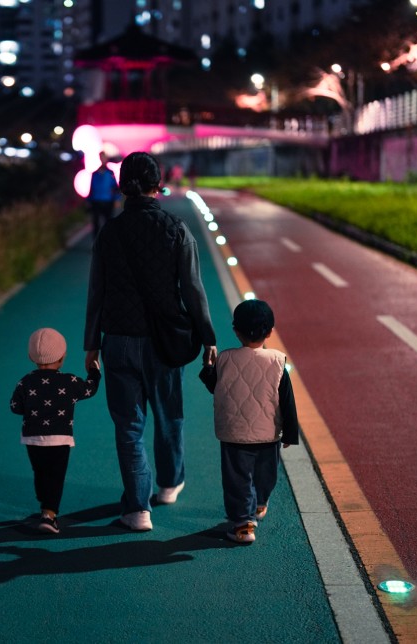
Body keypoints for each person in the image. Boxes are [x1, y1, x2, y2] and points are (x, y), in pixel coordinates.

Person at [84, 151, 217, 532]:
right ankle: (170, 483)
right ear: (158, 185)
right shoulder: (176, 229)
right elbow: (193, 290)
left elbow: (98, 293)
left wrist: (91, 344)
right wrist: (207, 337)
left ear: (123, 186)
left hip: (119, 341)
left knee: (128, 426)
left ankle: (138, 509)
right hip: (162, 341)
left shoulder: (109, 232)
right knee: (168, 414)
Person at [198, 299, 301, 544]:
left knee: (237, 479)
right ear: (270, 331)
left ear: (236, 330)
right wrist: (289, 434)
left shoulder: (225, 359)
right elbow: (287, 401)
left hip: (234, 434)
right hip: (269, 435)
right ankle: (258, 505)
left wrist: (208, 367)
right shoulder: (278, 362)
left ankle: (243, 524)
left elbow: (216, 388)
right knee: (266, 476)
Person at [10, 327, 101, 534]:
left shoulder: (25, 381)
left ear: (31, 356)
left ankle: (44, 505)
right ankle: (49, 515)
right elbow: (90, 389)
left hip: (32, 439)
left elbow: (15, 407)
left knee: (40, 472)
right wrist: (94, 371)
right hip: (60, 439)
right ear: (62, 357)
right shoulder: (69, 382)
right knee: (56, 474)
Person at [86, 152, 120, 239]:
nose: (103, 159)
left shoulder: (110, 173)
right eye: (101, 157)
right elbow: (91, 188)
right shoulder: (95, 173)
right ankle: (96, 243)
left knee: (109, 223)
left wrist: (116, 199)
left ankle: (109, 242)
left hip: (108, 201)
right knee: (96, 223)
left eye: (104, 157)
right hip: (96, 200)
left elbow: (115, 187)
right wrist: (89, 200)